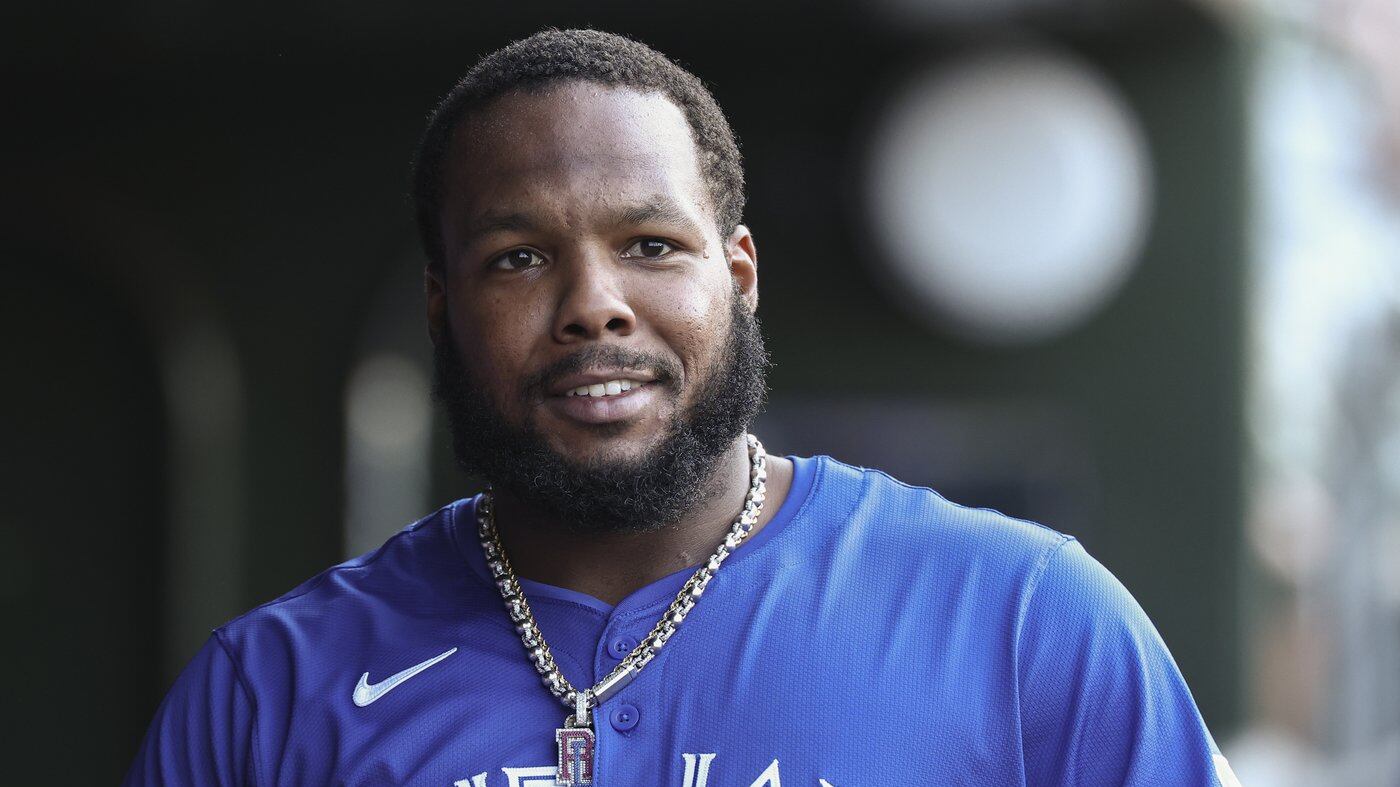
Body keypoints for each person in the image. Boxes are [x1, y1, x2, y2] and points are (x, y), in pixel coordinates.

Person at [126, 28, 1240, 786]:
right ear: (440, 306)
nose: (592, 304)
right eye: (518, 258)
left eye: (651, 245)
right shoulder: (270, 691)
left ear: (738, 277)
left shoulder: (1022, 620)